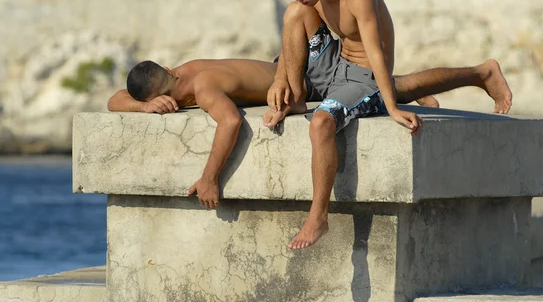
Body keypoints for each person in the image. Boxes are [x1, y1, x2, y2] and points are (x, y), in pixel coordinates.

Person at [265, 0, 513, 250]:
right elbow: (295, 36)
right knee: (293, 14)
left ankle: (318, 216)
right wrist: (281, 79)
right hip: (335, 67)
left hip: (364, 77)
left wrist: (392, 108)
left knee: (320, 123)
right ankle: (296, 98)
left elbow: (376, 53)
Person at [108, 52, 511, 215]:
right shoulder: (183, 71)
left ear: (171, 85)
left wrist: (210, 177)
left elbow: (230, 122)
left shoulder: (204, 87)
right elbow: (114, 100)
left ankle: (480, 73)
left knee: (396, 86)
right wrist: (144, 106)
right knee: (393, 84)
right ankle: (419, 93)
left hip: (308, 83)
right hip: (285, 67)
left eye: (164, 100)